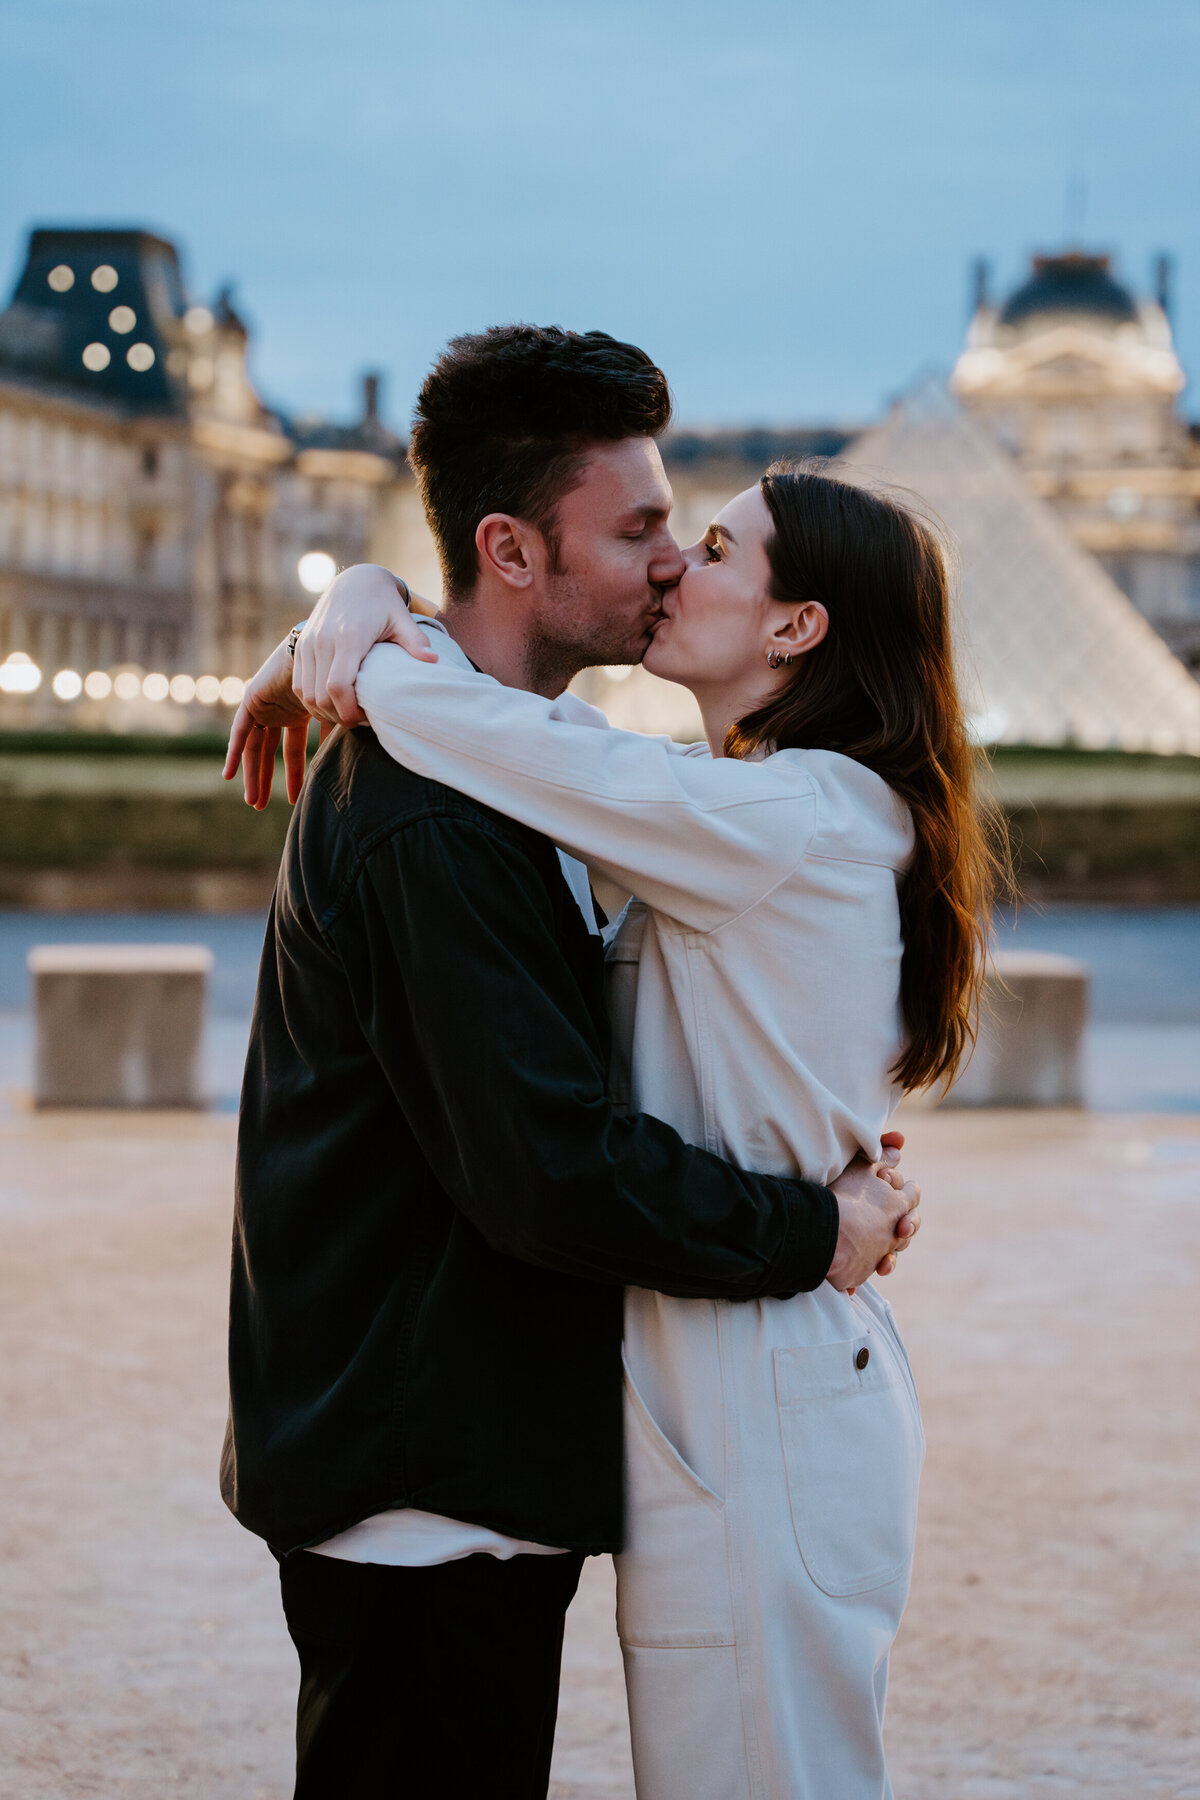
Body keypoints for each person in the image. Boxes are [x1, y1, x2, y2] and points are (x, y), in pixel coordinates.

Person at [238, 438, 999, 1800]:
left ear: (796, 625)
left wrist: (360, 615)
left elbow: (492, 733)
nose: (670, 567)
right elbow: (548, 751)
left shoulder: (788, 816)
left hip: (765, 1388)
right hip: (734, 1382)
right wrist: (357, 604)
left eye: (712, 548)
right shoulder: (749, 816)